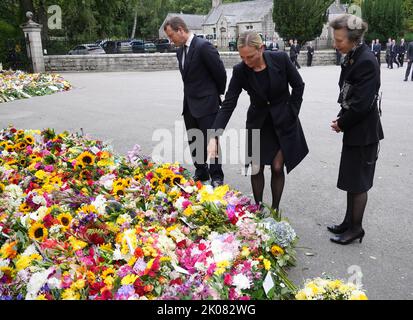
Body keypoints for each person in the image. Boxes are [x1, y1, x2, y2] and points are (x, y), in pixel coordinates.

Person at [207, 31, 308, 211]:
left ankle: (275, 209)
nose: (247, 61)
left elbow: (298, 86)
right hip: (258, 123)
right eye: (242, 57)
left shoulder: (280, 59)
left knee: (277, 167)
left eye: (250, 56)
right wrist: (214, 135)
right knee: (256, 167)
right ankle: (258, 207)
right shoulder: (240, 71)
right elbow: (229, 103)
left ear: (261, 49)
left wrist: (292, 112)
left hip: (283, 121)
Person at [328, 14, 384, 245]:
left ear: (353, 39)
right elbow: (349, 96)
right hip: (356, 130)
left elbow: (361, 105)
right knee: (351, 179)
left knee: (358, 182)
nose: (335, 44)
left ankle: (356, 228)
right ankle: (348, 222)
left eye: (339, 40)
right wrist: (343, 117)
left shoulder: (366, 61)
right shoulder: (354, 56)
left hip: (364, 133)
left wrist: (342, 123)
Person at [164, 17, 227, 187]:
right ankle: (201, 170)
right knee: (194, 140)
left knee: (211, 141)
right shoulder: (180, 51)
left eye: (171, 36)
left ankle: (216, 176)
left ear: (180, 30)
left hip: (207, 104)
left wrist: (214, 96)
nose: (171, 41)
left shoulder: (202, 46)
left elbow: (220, 73)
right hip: (189, 104)